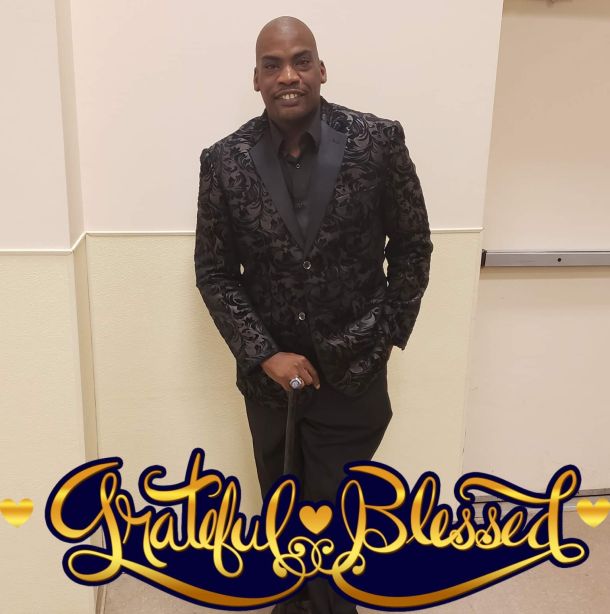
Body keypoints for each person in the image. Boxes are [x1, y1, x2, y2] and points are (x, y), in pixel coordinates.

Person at [194, 15, 432, 614]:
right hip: (271, 387)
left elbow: (412, 247)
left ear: (321, 70)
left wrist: (382, 336)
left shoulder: (379, 142)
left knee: (332, 515)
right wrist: (265, 354)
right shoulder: (223, 162)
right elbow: (215, 272)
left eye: (301, 61)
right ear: (256, 79)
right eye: (272, 65)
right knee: (284, 513)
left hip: (354, 375)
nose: (288, 76)